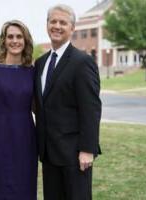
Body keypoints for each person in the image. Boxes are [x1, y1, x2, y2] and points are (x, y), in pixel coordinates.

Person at [34, 4, 102, 200]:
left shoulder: (82, 62)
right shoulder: (40, 63)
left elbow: (91, 108)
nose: (57, 26)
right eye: (53, 21)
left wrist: (88, 149)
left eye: (63, 22)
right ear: (47, 25)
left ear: (72, 28)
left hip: (74, 155)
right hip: (48, 154)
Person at [0, 20, 37, 200]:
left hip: (26, 143)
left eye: (19, 36)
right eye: (10, 36)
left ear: (25, 40)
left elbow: (39, 108)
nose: (14, 40)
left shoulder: (33, 72)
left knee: (25, 192)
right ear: (4, 41)